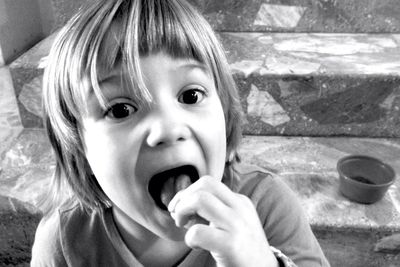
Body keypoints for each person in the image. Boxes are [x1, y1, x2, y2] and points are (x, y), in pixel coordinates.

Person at [31, 0, 330, 266]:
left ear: (224, 120)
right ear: (79, 153)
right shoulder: (63, 244)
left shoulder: (267, 206)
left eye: (190, 96)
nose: (168, 129)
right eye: (120, 110)